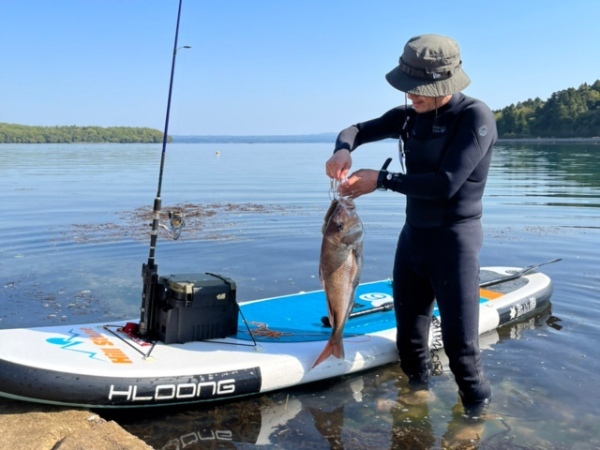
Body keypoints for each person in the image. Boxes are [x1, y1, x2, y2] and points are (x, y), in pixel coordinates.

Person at [325, 34, 497, 417]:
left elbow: (446, 183)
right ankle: (416, 398)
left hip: (455, 242)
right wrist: (342, 149)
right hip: (414, 240)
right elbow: (355, 130)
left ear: (445, 84)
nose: (411, 96)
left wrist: (381, 180)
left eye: (420, 90)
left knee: (461, 348)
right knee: (410, 339)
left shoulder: (475, 117)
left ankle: (475, 416)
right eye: (409, 89)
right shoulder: (407, 116)